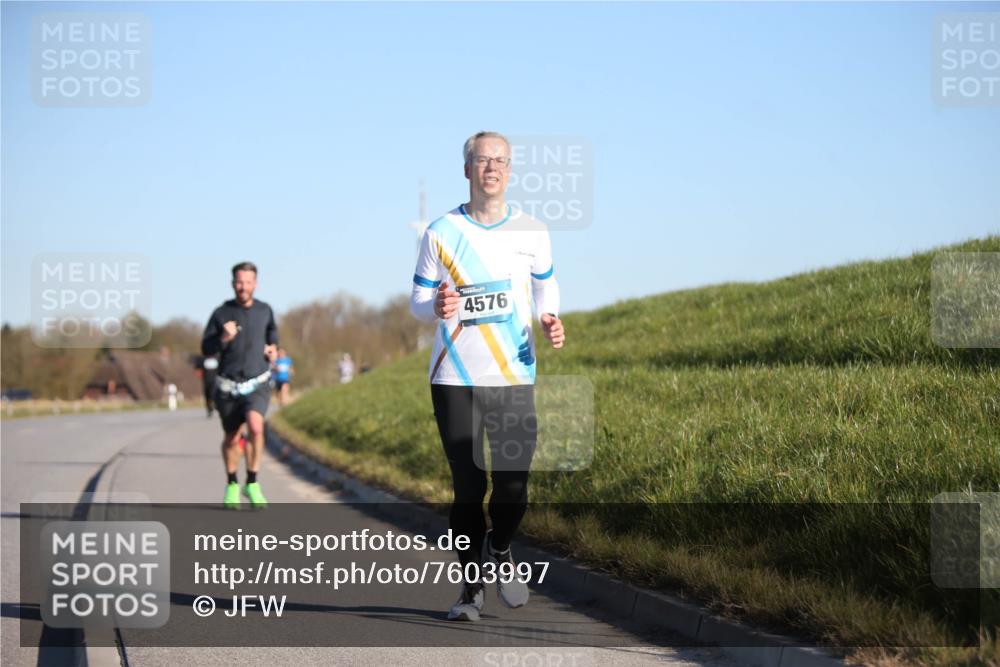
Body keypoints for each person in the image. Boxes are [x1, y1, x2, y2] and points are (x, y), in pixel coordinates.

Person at [410, 131, 565, 622]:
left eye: (500, 160)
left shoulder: (533, 231)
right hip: (454, 377)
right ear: (467, 169)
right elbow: (417, 302)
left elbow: (546, 287)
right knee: (468, 486)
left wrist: (549, 317)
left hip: (514, 375)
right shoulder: (440, 231)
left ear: (510, 169)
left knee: (514, 487)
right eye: (482, 159)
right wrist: (435, 304)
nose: (491, 167)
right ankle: (470, 588)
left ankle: (500, 547)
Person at [202, 261, 279, 509]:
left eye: (247, 282)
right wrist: (223, 337)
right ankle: (233, 483)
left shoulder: (265, 311)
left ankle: (253, 481)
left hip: (256, 382)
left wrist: (273, 350)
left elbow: (273, 336)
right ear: (232, 283)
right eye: (239, 282)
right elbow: (206, 348)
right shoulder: (221, 314)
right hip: (228, 386)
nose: (243, 287)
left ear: (255, 284)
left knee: (256, 427)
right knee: (232, 438)